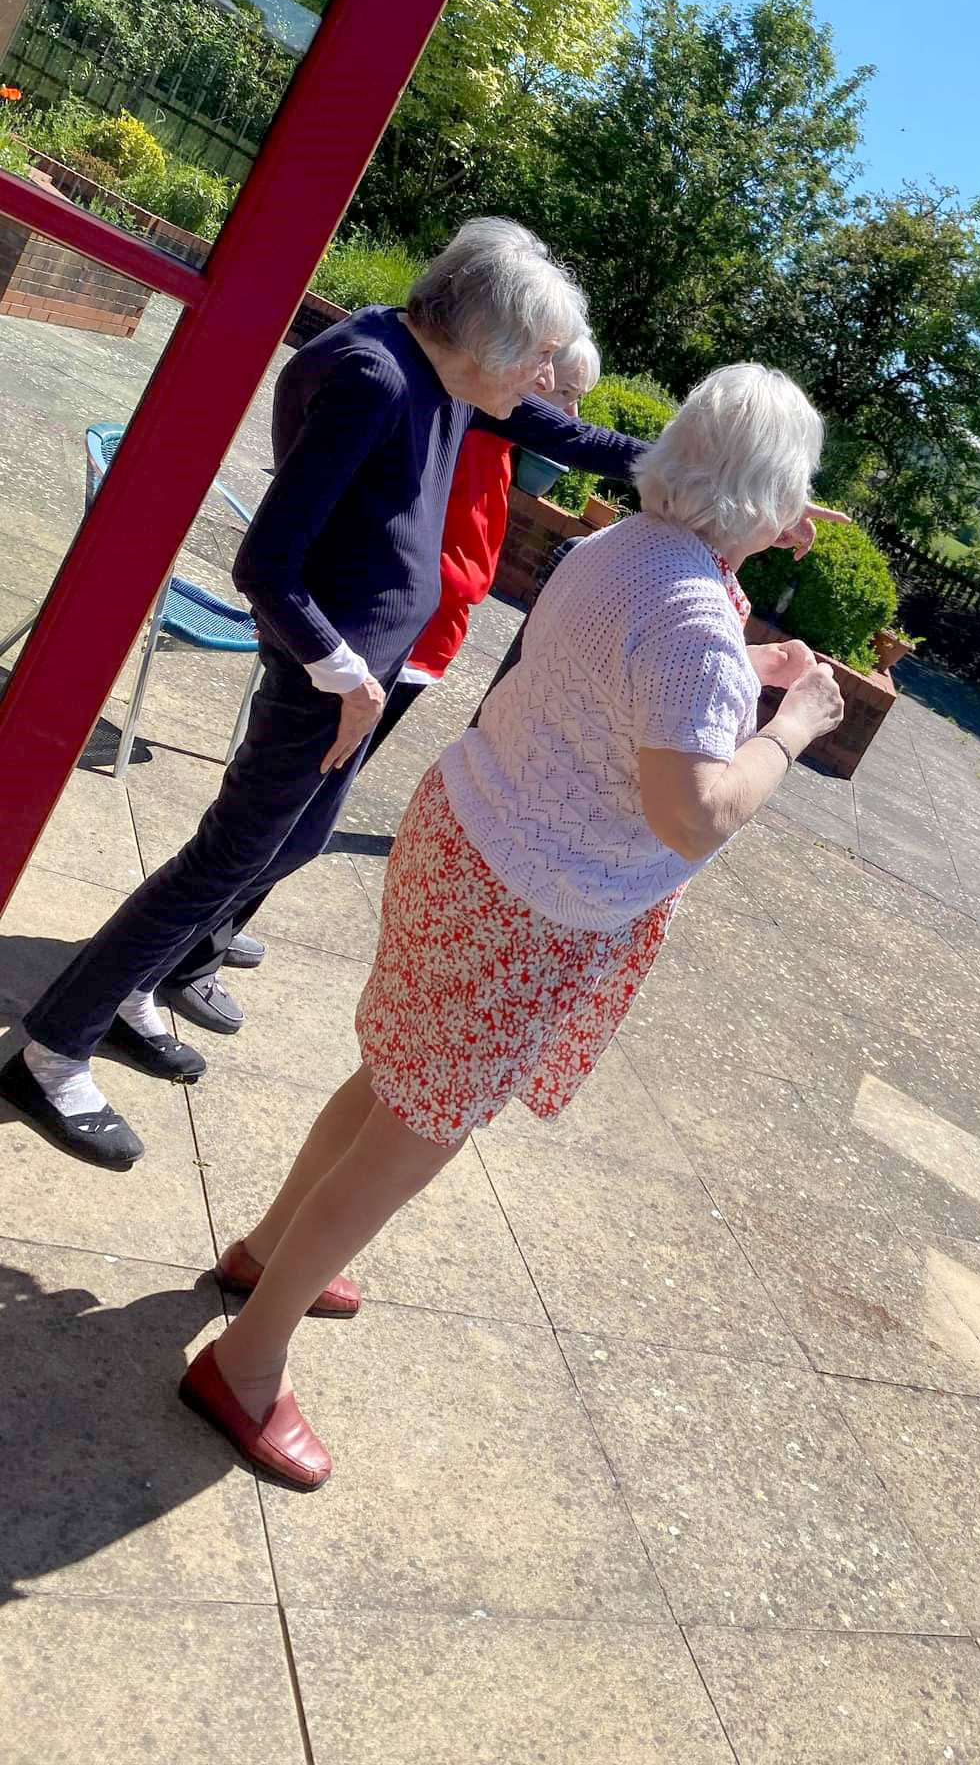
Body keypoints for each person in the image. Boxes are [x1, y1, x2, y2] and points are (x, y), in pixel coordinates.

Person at [178, 364, 845, 1487]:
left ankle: (267, 1252)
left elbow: (639, 666)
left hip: (469, 839)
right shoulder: (690, 613)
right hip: (529, 908)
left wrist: (751, 655)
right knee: (416, 1130)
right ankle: (245, 1363)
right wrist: (794, 725)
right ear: (764, 494)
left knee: (394, 1080)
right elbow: (692, 813)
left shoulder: (627, 547)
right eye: (794, 490)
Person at [0, 221, 650, 1171]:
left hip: (359, 679)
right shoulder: (373, 378)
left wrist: (716, 480)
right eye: (542, 356)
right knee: (223, 861)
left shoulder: (447, 375)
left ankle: (132, 989)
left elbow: (576, 437)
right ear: (492, 337)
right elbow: (266, 563)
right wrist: (344, 676)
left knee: (290, 844)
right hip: (327, 678)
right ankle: (53, 1052)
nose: (548, 378)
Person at [360, 330, 602, 764]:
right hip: (403, 632)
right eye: (566, 393)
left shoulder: (498, 447)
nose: (572, 414)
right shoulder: (471, 437)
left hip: (426, 636)